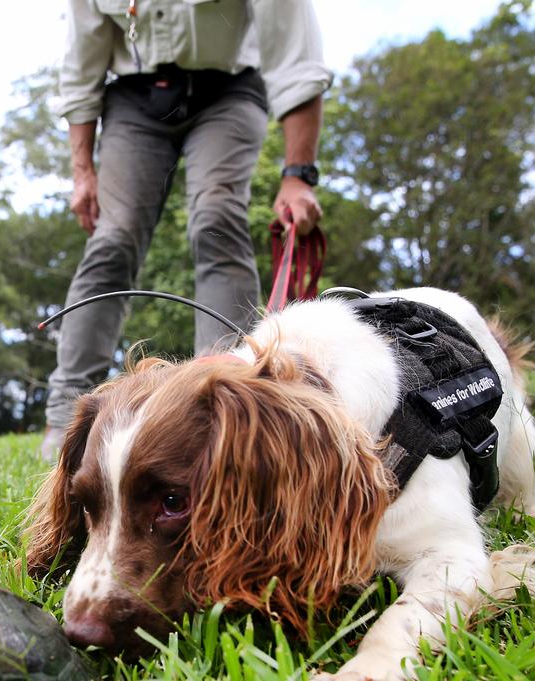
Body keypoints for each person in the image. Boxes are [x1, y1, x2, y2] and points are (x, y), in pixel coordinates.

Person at [41, 0, 332, 457]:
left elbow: (296, 58)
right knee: (113, 239)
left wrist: (298, 175)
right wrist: (83, 172)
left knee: (217, 219)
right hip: (134, 98)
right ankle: (66, 420)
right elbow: (82, 62)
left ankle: (219, 405)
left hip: (230, 89)